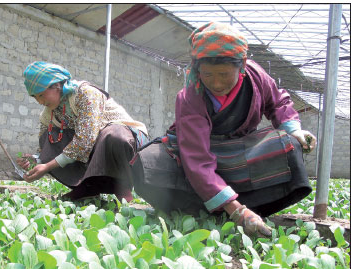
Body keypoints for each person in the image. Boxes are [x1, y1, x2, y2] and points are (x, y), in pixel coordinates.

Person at [132, 22, 316, 237]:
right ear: (197, 69)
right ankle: (223, 208)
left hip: (240, 152)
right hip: (198, 154)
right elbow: (198, 160)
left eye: (224, 74)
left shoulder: (257, 76)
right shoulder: (190, 97)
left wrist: (295, 131)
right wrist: (237, 211)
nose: (217, 84)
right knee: (146, 164)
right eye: (208, 75)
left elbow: (278, 103)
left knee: (290, 145)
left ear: (243, 65)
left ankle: (236, 207)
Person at [18, 61, 148, 202]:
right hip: (94, 148)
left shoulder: (86, 94)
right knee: (48, 136)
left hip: (126, 142)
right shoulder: (48, 114)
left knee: (112, 135)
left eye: (41, 95)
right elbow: (46, 149)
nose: (39, 101)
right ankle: (89, 187)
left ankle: (122, 189)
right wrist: (36, 160)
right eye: (35, 97)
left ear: (56, 85)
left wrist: (47, 166)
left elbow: (84, 142)